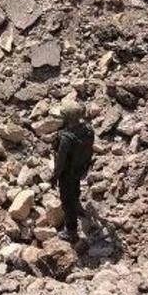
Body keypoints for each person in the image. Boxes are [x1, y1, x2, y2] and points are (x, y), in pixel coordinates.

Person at [50, 100, 95, 243]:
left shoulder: (66, 138)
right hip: (80, 168)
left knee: (67, 201)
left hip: (67, 172)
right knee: (75, 189)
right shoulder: (88, 130)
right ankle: (77, 206)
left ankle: (71, 231)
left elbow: (60, 162)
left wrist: (54, 177)